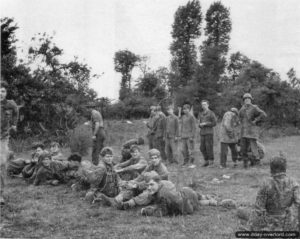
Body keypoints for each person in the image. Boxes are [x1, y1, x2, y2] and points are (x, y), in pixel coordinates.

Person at [97, 149, 169, 209]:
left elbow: (154, 185)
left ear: (159, 158)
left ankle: (126, 205)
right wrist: (132, 182)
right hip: (148, 186)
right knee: (131, 187)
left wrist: (136, 185)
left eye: (155, 158)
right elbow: (141, 176)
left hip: (159, 191)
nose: (154, 160)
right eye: (152, 158)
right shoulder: (150, 166)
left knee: (146, 193)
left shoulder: (163, 170)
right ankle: (116, 200)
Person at [248, 155, 300, 231]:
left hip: (270, 225)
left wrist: (252, 228)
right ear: (285, 168)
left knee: (242, 211)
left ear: (271, 168)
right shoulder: (294, 183)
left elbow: (258, 209)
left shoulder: (266, 184)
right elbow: (298, 204)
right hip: (289, 224)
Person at [0, 81, 18, 205]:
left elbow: (16, 111)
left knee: (1, 164)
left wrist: (14, 124)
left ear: (6, 93)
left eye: (2, 91)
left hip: (3, 138)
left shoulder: (10, 104)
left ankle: (0, 194)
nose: (0, 93)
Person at [238, 93, 267, 168]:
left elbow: (263, 114)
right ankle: (245, 164)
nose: (247, 100)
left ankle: (257, 163)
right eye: (245, 99)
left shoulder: (254, 107)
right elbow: (240, 118)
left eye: (248, 99)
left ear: (251, 100)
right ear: (244, 100)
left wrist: (256, 120)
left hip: (251, 132)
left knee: (254, 148)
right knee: (243, 148)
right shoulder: (241, 109)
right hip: (243, 131)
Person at [198, 100, 217, 167]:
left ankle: (211, 162)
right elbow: (199, 123)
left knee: (209, 147)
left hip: (209, 132)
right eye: (202, 105)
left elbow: (214, 123)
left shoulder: (211, 113)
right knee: (202, 148)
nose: (203, 106)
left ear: (208, 105)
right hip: (202, 133)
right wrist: (200, 125)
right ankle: (206, 161)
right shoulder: (201, 113)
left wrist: (206, 123)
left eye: (205, 104)